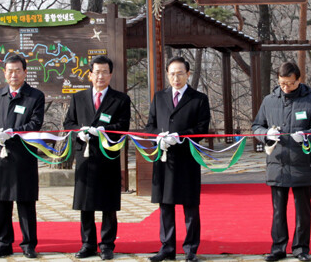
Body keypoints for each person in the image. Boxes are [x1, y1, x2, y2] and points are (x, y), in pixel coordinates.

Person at [252, 62, 311, 262]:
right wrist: (266, 134)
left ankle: (301, 248)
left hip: (302, 162)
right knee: (278, 210)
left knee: (303, 210)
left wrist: (306, 134)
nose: (286, 88)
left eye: (290, 84)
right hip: (277, 162)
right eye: (282, 83)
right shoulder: (269, 101)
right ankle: (278, 247)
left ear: (298, 80)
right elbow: (256, 126)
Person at [63, 55, 131, 260]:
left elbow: (122, 126)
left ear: (110, 75)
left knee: (108, 203)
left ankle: (107, 245)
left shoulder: (120, 99)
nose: (100, 76)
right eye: (96, 72)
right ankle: (88, 244)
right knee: (85, 203)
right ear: (90, 75)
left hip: (107, 156)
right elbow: (69, 123)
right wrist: (78, 132)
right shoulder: (78, 98)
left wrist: (104, 130)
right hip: (85, 157)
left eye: (105, 72)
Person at [145, 56, 211, 262]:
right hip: (164, 159)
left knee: (190, 205)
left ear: (188, 74)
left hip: (187, 159)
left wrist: (179, 137)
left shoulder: (198, 99)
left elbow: (202, 128)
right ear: (167, 74)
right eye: (172, 73)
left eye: (180, 73)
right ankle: (167, 247)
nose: (176, 77)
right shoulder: (159, 97)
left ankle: (191, 248)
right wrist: (159, 137)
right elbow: (150, 126)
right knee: (165, 205)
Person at [0, 55, 45, 259]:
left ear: (25, 72)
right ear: (4, 73)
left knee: (25, 201)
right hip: (2, 157)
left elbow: (35, 124)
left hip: (24, 156)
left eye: (18, 70)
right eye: (10, 70)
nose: (13, 74)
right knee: (2, 201)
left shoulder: (35, 96)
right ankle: (3, 243)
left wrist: (14, 132)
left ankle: (28, 244)